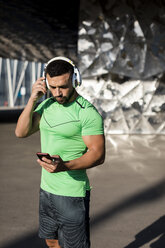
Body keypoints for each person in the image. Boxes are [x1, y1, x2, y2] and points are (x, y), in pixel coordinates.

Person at [15, 56, 105, 248]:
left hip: (71, 193)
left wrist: (64, 166)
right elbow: (20, 132)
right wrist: (33, 99)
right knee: (52, 241)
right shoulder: (46, 106)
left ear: (75, 81)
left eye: (63, 86)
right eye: (53, 87)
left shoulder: (86, 112)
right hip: (46, 189)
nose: (58, 92)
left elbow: (98, 154)